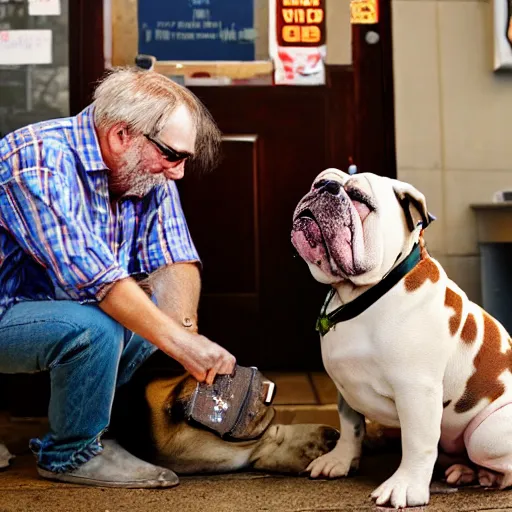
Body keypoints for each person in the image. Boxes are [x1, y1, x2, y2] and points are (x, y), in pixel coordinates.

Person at [0, 67, 236, 488]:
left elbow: (175, 257)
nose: (178, 172)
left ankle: (95, 428)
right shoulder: (38, 158)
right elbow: (97, 280)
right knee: (100, 323)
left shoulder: (149, 171)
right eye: (173, 155)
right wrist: (180, 344)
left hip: (46, 309)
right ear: (121, 135)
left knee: (152, 314)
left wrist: (186, 335)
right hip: (6, 309)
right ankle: (71, 453)